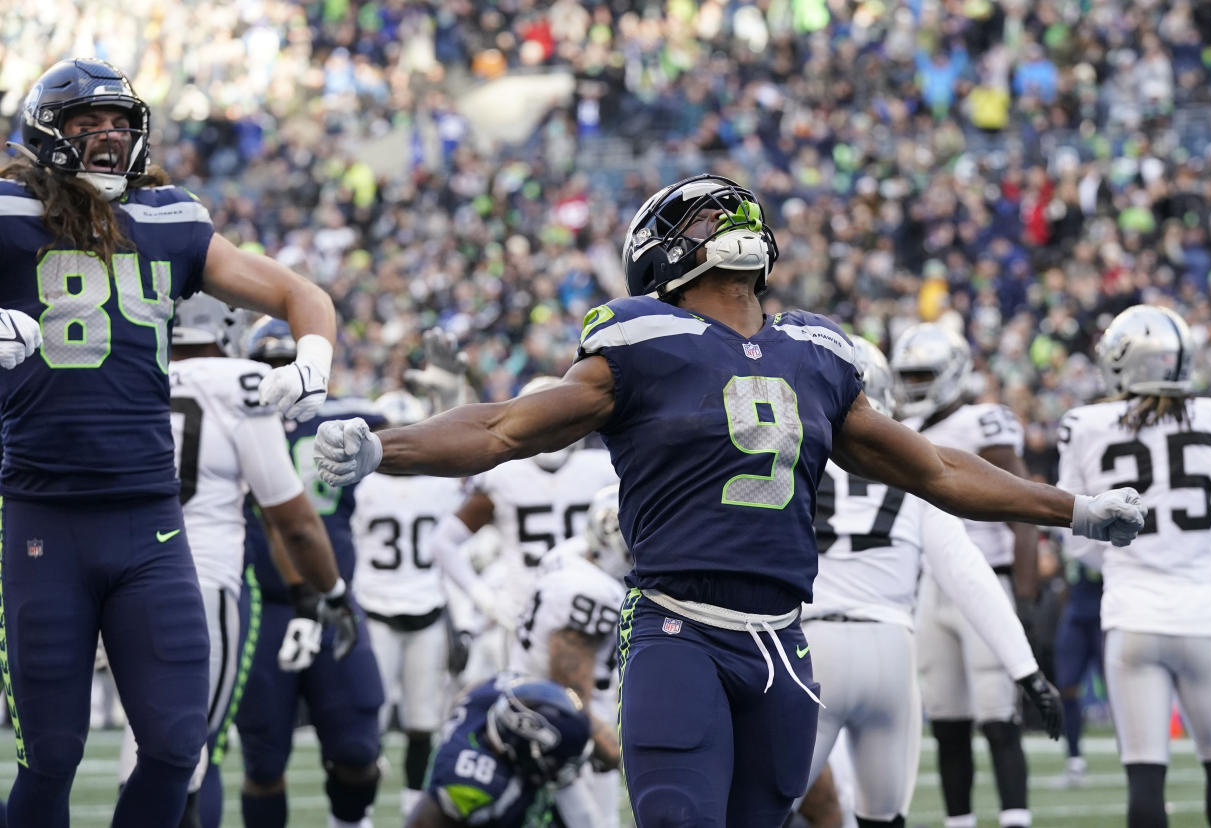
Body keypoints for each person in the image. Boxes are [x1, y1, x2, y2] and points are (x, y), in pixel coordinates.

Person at [313, 173, 1146, 827]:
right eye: (702, 219)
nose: (725, 222)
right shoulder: (638, 342)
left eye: (729, 211)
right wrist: (388, 446)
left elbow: (933, 468)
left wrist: (1069, 507)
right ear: (665, 256)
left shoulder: (817, 352)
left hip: (784, 641)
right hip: (680, 628)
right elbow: (503, 428)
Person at [0, 58, 338, 828]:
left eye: (117, 123)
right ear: (49, 134)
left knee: (177, 746)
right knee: (50, 756)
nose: (108, 138)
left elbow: (300, 294)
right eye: (87, 124)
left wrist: (312, 354)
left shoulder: (168, 218)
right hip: (41, 516)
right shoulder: (8, 211)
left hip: (151, 524)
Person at [797, 336, 1061, 828]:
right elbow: (966, 572)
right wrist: (1027, 669)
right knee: (883, 814)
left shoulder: (788, 460)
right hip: (892, 647)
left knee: (767, 805)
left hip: (812, 647)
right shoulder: (908, 460)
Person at [115, 294, 346, 828]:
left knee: (136, 750)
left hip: (118, 580)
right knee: (184, 761)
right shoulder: (240, 381)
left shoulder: (125, 369)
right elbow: (293, 521)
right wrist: (329, 592)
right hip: (201, 580)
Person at [1057, 304, 1211, 828]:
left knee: (1145, 778)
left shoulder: (1084, 423)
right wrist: (1197, 563)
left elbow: (1077, 537)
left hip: (1130, 614)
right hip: (1202, 613)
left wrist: (1125, 562)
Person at [233, 317, 384, 828]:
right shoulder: (232, 416)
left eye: (286, 364)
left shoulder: (347, 417)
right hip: (262, 608)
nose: (277, 376)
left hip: (334, 600)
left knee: (359, 752)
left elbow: (411, 440)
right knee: (263, 763)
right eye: (267, 365)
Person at [890, 322, 1041, 828]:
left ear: (952, 373)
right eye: (906, 376)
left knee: (998, 716)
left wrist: (1025, 592)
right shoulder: (901, 430)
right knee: (948, 720)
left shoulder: (983, 421)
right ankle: (960, 821)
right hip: (933, 587)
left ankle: (1015, 817)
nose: (912, 386)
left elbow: (1021, 504)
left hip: (986, 585)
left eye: (922, 375)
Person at [425, 375, 617, 685]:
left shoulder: (599, 469)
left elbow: (442, 543)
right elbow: (443, 543)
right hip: (539, 614)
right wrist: (487, 600)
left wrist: (485, 599)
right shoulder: (601, 469)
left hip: (569, 614)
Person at [350, 388, 465, 823]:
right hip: (379, 611)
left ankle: (412, 813)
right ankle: (362, 810)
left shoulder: (429, 485)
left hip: (421, 611)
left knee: (422, 723)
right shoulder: (439, 484)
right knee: (371, 723)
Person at [509, 483, 629, 827]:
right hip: (566, 732)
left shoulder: (569, 554)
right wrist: (623, 757)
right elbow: (572, 701)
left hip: (545, 712)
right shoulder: (588, 592)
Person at [407, 674, 594, 828]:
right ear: (525, 745)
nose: (563, 766)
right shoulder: (471, 776)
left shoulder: (497, 695)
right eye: (555, 758)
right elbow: (422, 821)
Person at [1053, 540, 1104, 787]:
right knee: (1067, 687)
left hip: (1107, 610)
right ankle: (1074, 759)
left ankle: (1138, 756)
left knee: (1122, 689)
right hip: (1075, 612)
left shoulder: (1110, 506)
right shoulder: (1067, 516)